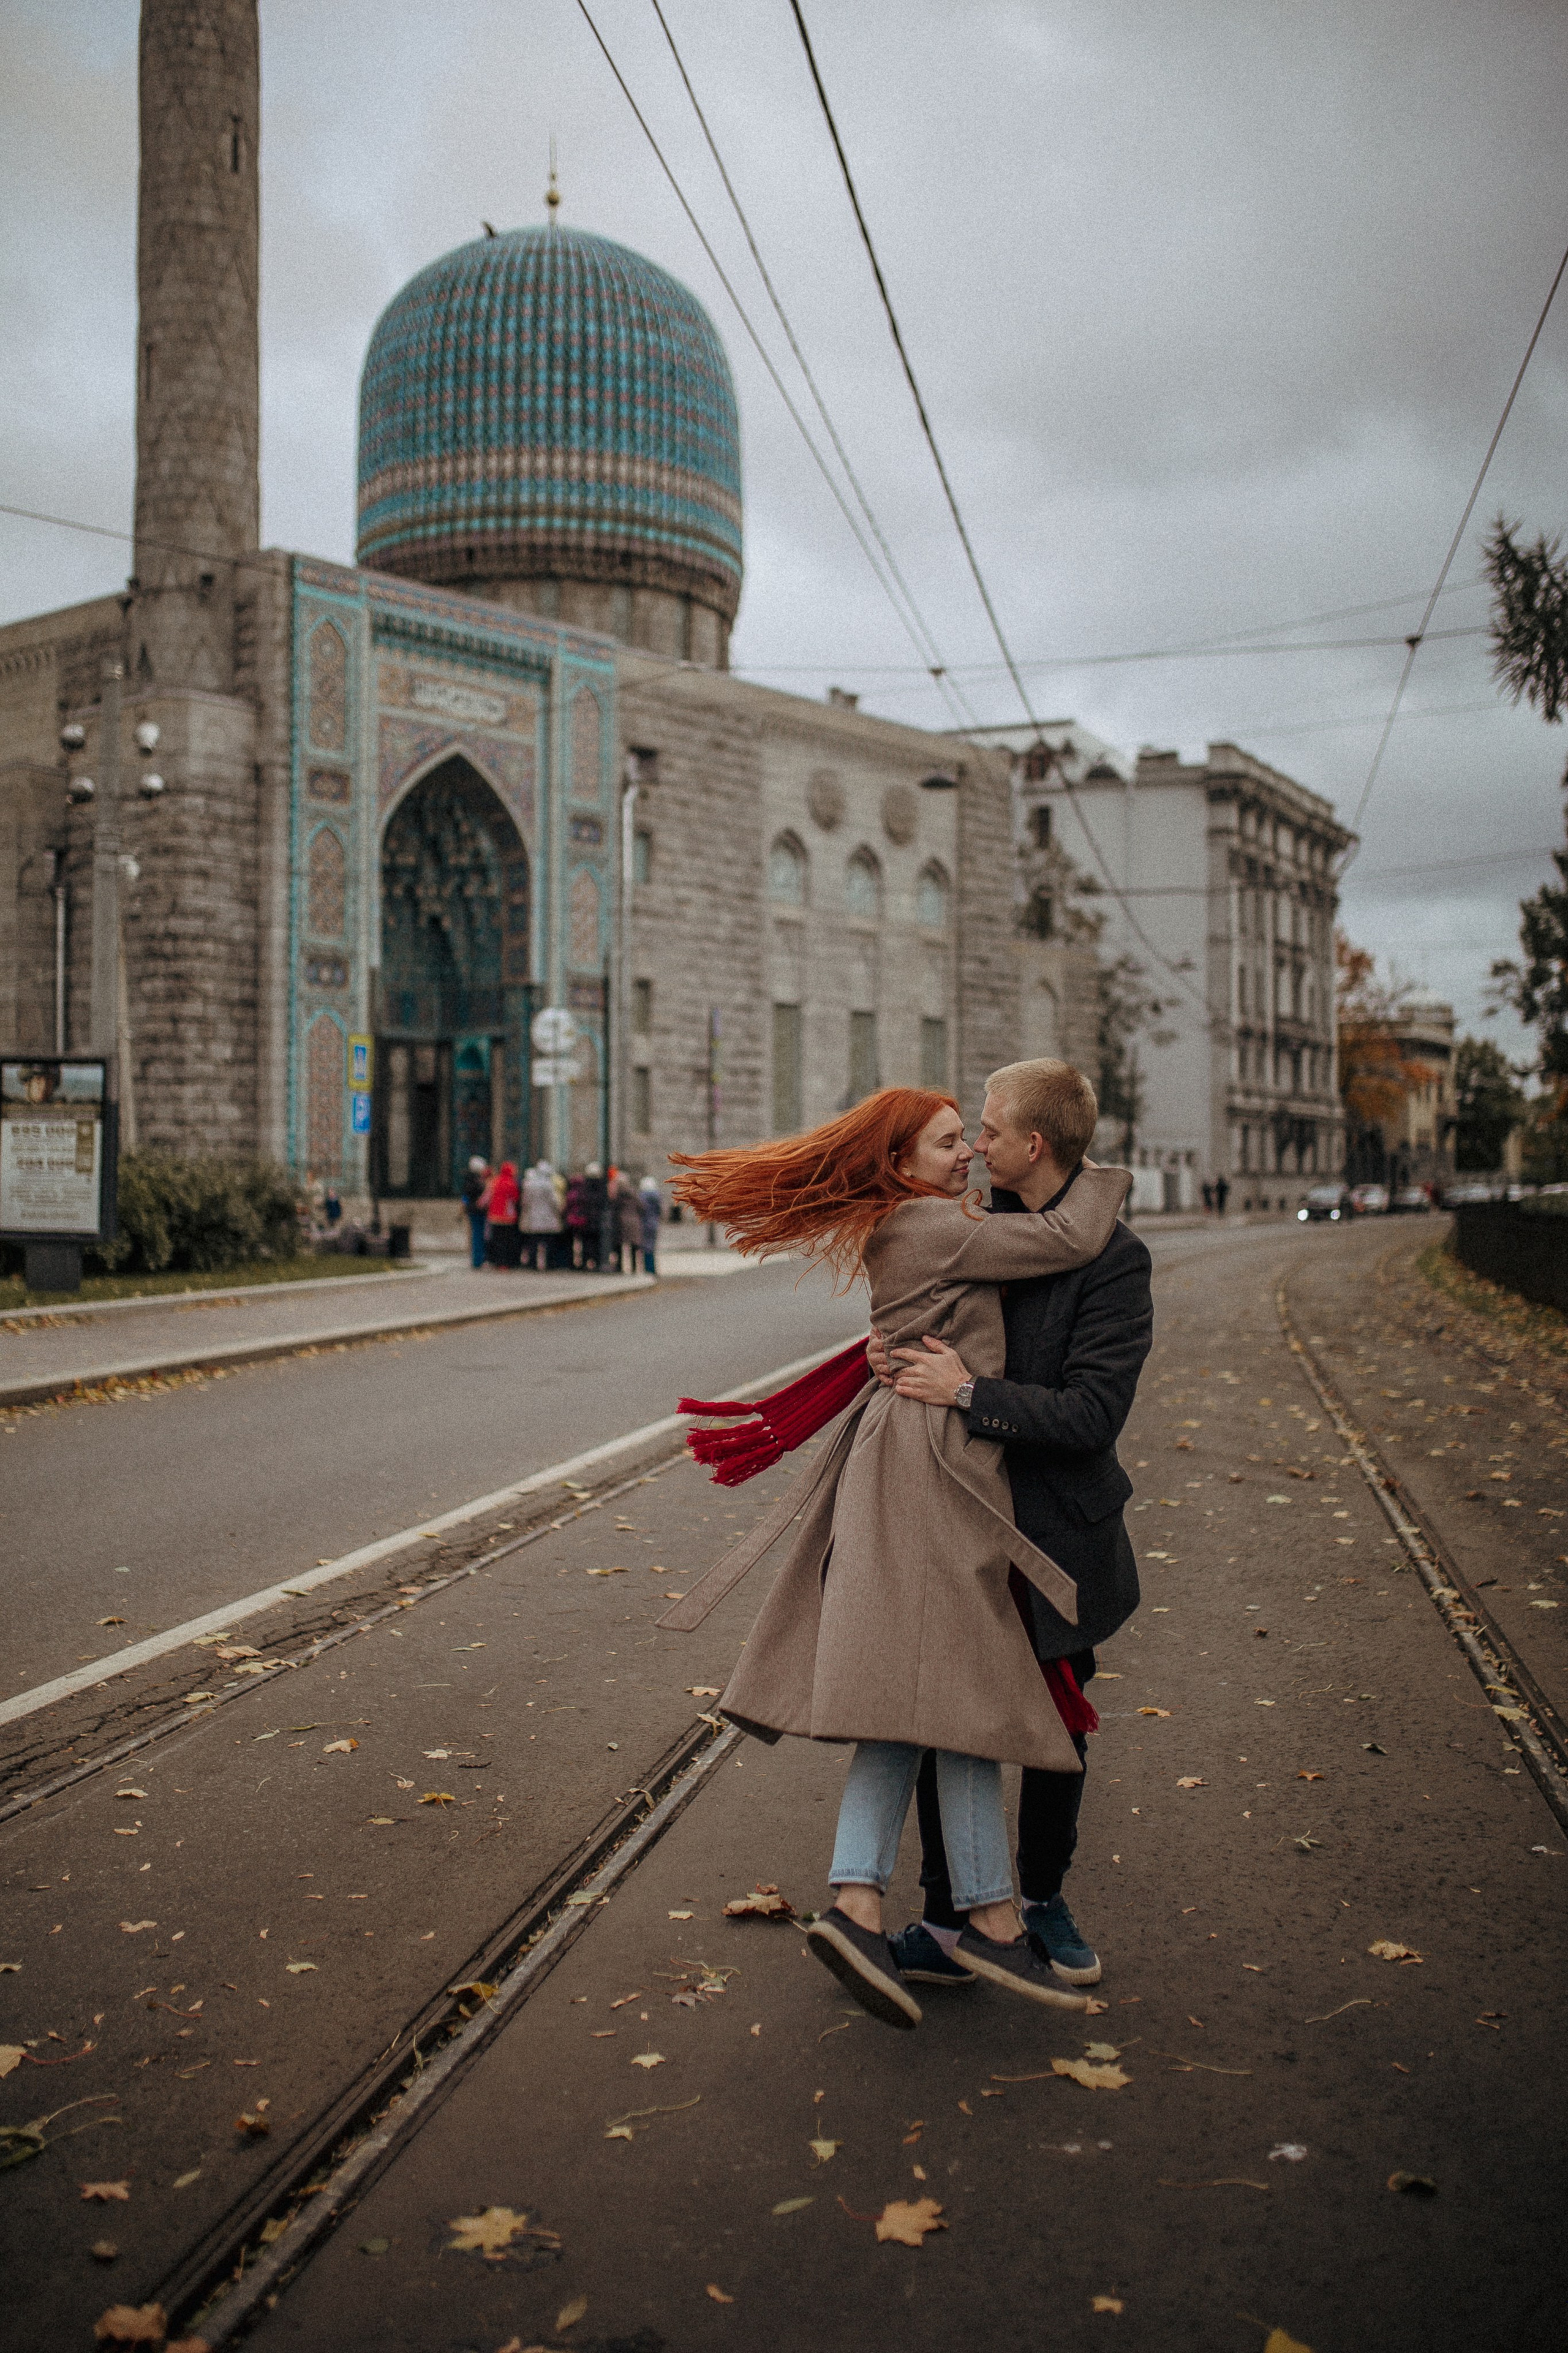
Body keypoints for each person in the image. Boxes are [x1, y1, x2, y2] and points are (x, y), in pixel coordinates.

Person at [665, 1087, 1129, 2030]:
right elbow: (1070, 1237)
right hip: (931, 1465)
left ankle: (907, 1908)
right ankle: (916, 1909)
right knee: (942, 1687)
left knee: (934, 1696)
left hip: (925, 1459)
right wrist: (1093, 1162)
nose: (967, 1155)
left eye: (974, 1138)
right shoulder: (933, 1228)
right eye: (951, 1141)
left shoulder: (917, 1222)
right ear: (903, 1161)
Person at [873, 1060, 1153, 1994]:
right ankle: (949, 1912)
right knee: (939, 1712)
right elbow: (920, 1316)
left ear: (1034, 1145)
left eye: (987, 1130)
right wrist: (886, 1352)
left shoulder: (1113, 1257)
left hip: (1055, 1532)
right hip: (956, 1518)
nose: (977, 1145)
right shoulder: (976, 1227)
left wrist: (970, 1393)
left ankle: (1040, 1899)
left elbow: (1089, 1417)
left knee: (1054, 1728)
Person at [521, 1160, 561, 1271]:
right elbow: (554, 1201)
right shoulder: (548, 1185)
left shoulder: (530, 1184)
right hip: (547, 1217)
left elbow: (525, 1201)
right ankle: (550, 1264)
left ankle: (533, 1264)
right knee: (548, 1243)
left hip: (534, 1217)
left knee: (534, 1242)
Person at [482, 1158, 521, 1268]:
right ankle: (505, 1263)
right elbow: (515, 1198)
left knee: (496, 1240)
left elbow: (487, 1197)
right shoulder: (511, 1183)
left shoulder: (495, 1181)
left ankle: (497, 1261)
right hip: (508, 1217)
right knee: (507, 1241)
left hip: (494, 1216)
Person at [461, 1156, 489, 1270]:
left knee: (477, 1235)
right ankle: (478, 1260)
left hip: (473, 1210)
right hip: (478, 1211)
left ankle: (477, 1259)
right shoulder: (477, 1181)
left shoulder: (468, 1180)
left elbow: (465, 1197)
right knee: (478, 1235)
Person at [615, 1171, 643, 1273]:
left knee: (619, 1246)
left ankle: (619, 1268)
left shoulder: (616, 1194)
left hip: (620, 1221)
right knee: (634, 1247)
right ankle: (634, 1268)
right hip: (634, 1221)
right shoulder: (633, 1193)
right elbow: (641, 1206)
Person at [637, 1175, 663, 1275]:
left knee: (646, 1248)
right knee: (652, 1247)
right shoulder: (657, 1196)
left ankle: (648, 1269)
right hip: (654, 1223)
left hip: (645, 1223)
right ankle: (652, 1269)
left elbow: (640, 1209)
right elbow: (660, 1211)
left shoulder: (642, 1196)